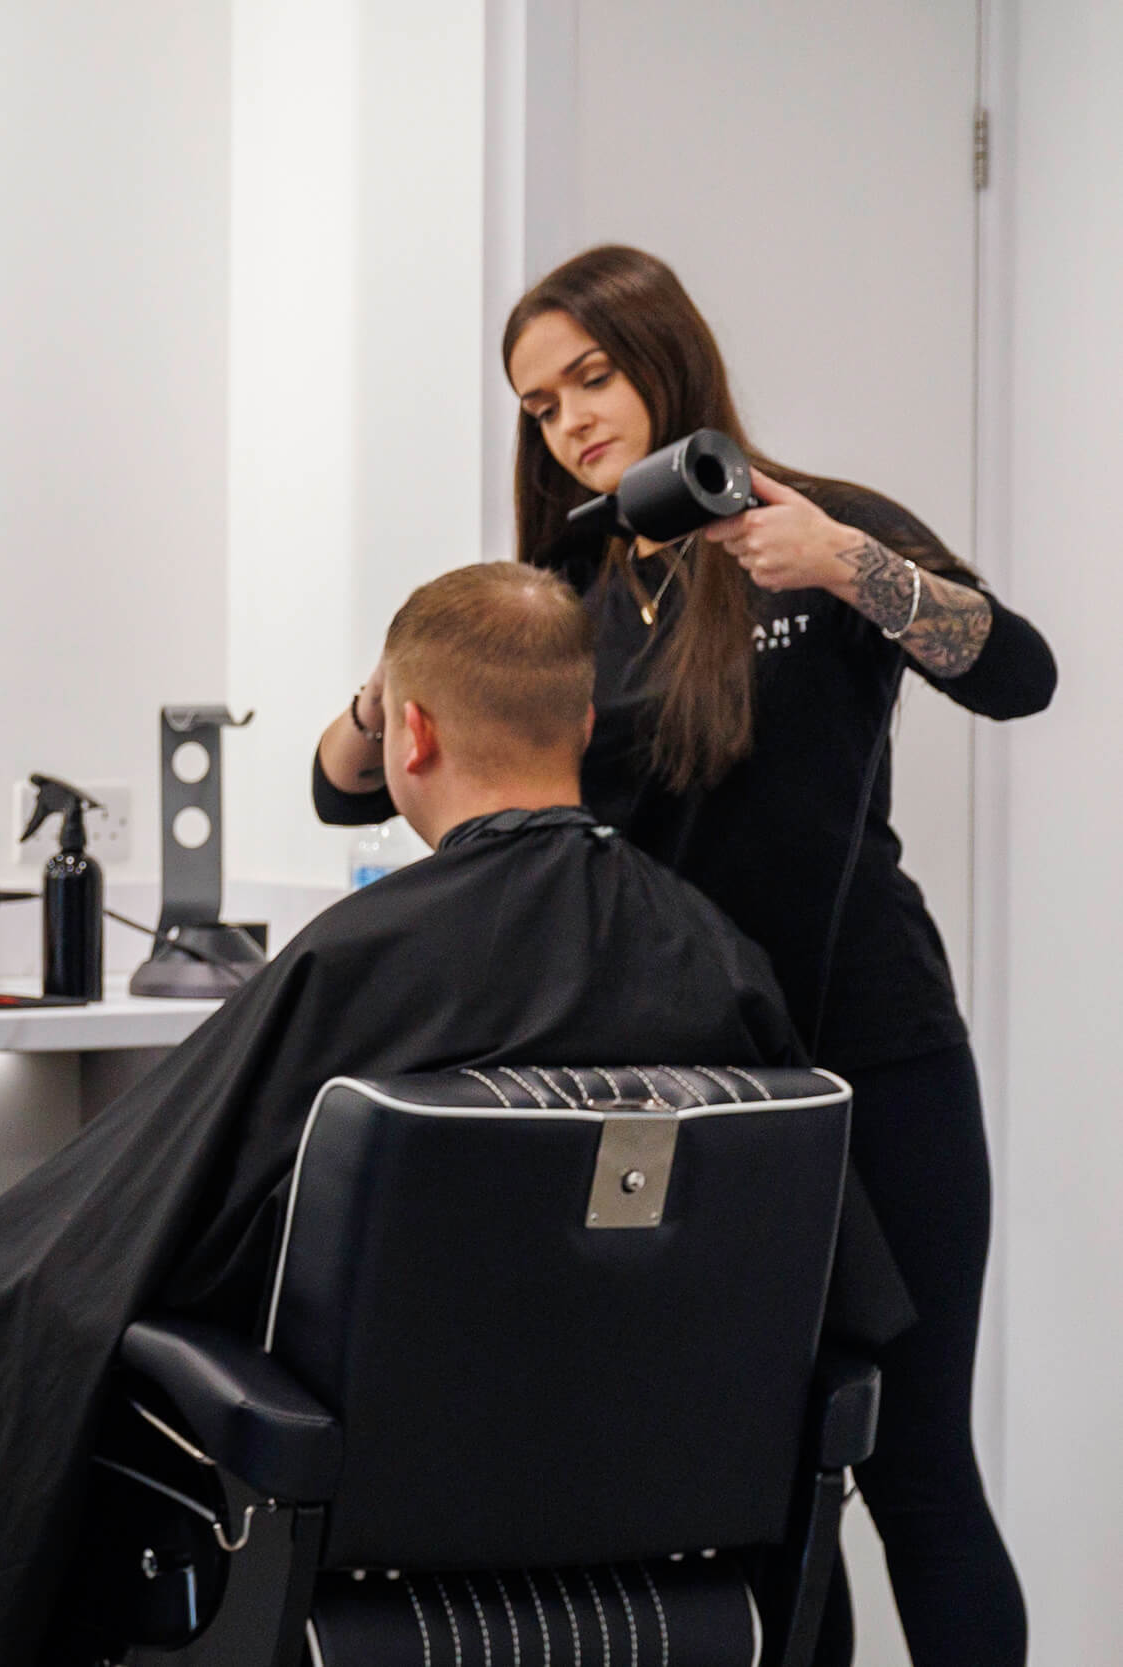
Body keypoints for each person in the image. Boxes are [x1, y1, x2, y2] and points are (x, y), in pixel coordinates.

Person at [0, 562, 843, 1667]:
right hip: (657, 1537)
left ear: (412, 734)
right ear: (582, 722)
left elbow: (133, 1226)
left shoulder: (360, 961)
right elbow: (827, 1292)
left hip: (366, 1505)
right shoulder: (718, 959)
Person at [316, 244, 1053, 1667]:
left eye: (591, 375)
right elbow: (347, 785)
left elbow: (1019, 670)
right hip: (685, 1099)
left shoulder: (824, 527)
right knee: (760, 1491)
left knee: (915, 1467)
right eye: (540, 404)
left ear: (666, 355)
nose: (571, 419)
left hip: (876, 1061)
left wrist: (847, 567)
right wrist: (400, 664)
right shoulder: (565, 598)